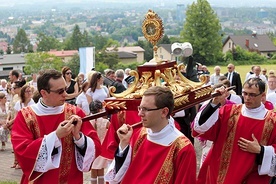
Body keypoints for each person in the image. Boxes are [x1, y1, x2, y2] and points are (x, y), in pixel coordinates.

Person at [11, 69, 101, 184]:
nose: (65, 94)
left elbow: (96, 147)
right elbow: (22, 151)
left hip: (71, 179)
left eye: (65, 89)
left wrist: (78, 137)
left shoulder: (75, 113)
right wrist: (56, 136)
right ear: (44, 93)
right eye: (60, 91)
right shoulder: (26, 116)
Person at [105, 86, 197, 184]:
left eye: (145, 109)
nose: (140, 114)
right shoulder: (140, 135)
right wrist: (124, 144)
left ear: (164, 112)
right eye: (140, 108)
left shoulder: (182, 148)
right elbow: (121, 174)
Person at [192, 78, 276, 183]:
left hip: (252, 177)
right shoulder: (228, 112)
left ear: (263, 95)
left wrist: (261, 150)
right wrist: (214, 103)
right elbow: (201, 128)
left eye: (252, 95)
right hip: (220, 174)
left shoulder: (272, 121)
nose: (247, 98)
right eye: (245, 93)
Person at [89, 100, 110, 184]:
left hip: (92, 149)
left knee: (93, 172)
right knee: (101, 171)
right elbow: (111, 131)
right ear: (100, 110)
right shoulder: (105, 121)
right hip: (102, 149)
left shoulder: (89, 121)